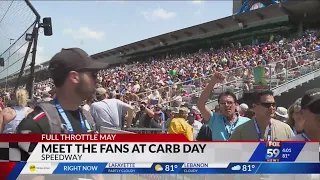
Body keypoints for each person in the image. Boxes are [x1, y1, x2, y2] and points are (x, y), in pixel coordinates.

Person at [15, 48, 108, 180]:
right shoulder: (36, 124)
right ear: (74, 77)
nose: (97, 80)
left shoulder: (87, 118)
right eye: (93, 74)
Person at [196, 72, 250, 140]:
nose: (226, 105)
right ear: (219, 106)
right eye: (223, 103)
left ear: (236, 105)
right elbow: (200, 105)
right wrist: (213, 82)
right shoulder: (214, 119)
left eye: (229, 102)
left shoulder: (247, 122)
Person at [229, 90, 294, 141]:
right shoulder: (241, 131)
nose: (271, 108)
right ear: (255, 107)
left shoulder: (285, 129)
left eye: (273, 104)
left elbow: (294, 152)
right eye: (267, 105)